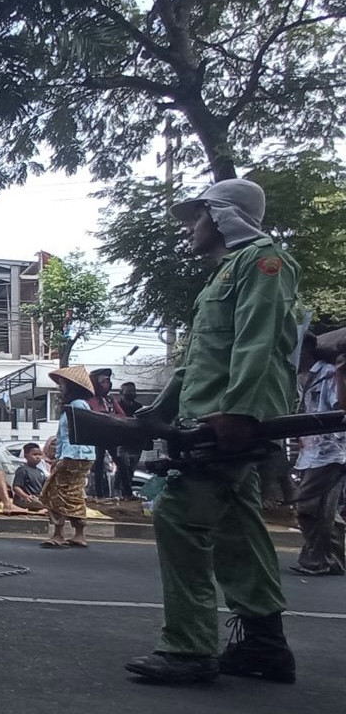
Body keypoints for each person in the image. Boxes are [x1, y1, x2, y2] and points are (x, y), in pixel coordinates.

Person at [125, 178, 299, 684]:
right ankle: (265, 646)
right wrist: (157, 410)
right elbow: (199, 359)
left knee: (179, 515)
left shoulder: (264, 262)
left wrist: (239, 414)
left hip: (227, 423)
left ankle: (188, 649)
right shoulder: (224, 275)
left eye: (196, 218)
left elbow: (258, 339)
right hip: (209, 420)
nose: (190, 230)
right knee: (238, 530)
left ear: (223, 216)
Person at [289, 333, 345, 576]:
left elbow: (339, 408)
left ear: (306, 351)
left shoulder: (328, 373)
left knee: (307, 506)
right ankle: (330, 559)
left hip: (330, 450)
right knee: (325, 508)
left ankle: (320, 558)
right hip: (312, 452)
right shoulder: (303, 377)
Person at [39, 367, 97, 548]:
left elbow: (76, 435)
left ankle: (59, 534)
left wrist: (63, 458)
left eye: (62, 385)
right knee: (73, 493)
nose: (60, 388)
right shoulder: (76, 405)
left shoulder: (78, 405)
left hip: (73, 457)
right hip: (77, 456)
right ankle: (78, 534)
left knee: (56, 492)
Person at [86, 368, 124, 500]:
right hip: (97, 437)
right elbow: (91, 416)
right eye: (104, 381)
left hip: (111, 436)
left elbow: (122, 416)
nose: (108, 384)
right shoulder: (89, 400)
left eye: (108, 381)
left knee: (121, 463)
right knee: (98, 466)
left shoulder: (110, 400)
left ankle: (126, 493)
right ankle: (99, 495)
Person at [113, 382, 143, 500]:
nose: (131, 393)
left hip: (136, 443)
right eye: (128, 390)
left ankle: (127, 494)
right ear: (121, 393)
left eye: (133, 390)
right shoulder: (117, 406)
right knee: (123, 468)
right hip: (121, 442)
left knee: (131, 469)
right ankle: (118, 493)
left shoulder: (139, 407)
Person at [11, 443, 48, 511]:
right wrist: (25, 496)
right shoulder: (23, 470)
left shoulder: (40, 472)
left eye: (40, 455)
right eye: (34, 454)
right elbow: (16, 487)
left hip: (37, 497)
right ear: (26, 456)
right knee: (44, 505)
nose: (38, 457)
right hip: (24, 499)